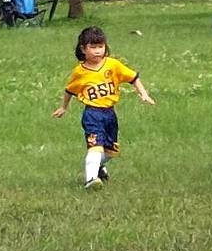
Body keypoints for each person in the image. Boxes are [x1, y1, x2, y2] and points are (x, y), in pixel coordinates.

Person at [52, 26, 155, 189]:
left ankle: (97, 167)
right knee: (95, 147)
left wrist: (143, 94)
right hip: (92, 114)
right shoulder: (80, 72)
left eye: (100, 46)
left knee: (110, 152)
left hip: (110, 114)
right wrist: (63, 107)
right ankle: (91, 179)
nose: (97, 51)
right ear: (83, 49)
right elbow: (69, 90)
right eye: (93, 47)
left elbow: (133, 77)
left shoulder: (113, 65)